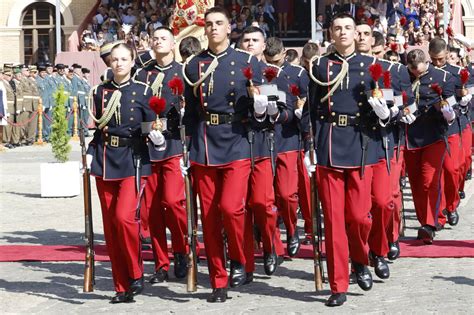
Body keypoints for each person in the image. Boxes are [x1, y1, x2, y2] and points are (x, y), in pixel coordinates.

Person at [303, 13, 387, 306]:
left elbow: (385, 105)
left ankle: (361, 260)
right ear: (330, 33)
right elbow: (311, 110)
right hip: (329, 146)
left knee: (359, 217)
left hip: (362, 144)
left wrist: (383, 111)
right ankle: (338, 284)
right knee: (335, 221)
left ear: (356, 33)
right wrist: (308, 146)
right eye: (337, 28)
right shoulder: (320, 66)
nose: (342, 33)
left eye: (348, 28)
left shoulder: (372, 66)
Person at [182, 6, 262, 303]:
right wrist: (185, 147)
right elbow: (190, 112)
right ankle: (218, 278)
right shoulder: (194, 65)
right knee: (211, 217)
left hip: (237, 140)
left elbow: (262, 108)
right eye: (209, 24)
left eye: (219, 23)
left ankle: (240, 258)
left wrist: (261, 105)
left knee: (231, 208)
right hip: (204, 143)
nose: (214, 28)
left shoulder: (247, 62)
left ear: (230, 28)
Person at [86, 43, 155, 303]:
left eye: (124, 59)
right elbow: (98, 129)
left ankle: (136, 273)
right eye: (114, 59)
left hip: (132, 159)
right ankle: (121, 286)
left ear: (132, 60)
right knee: (112, 226)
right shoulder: (99, 92)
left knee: (125, 218)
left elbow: (153, 126)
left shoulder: (143, 91)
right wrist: (91, 150)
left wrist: (159, 138)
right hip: (105, 160)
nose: (118, 63)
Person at [134, 26, 188, 284]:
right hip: (147, 146)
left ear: (173, 42)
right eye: (155, 38)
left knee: (174, 203)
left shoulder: (183, 72)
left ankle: (180, 250)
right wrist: (148, 131)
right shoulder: (142, 74)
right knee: (152, 209)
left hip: (174, 145)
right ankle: (160, 262)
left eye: (163, 38)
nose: (158, 42)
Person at [239, 25, 293, 281]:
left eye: (255, 40)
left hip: (263, 143)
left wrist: (272, 111)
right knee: (238, 206)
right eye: (246, 40)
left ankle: (271, 247)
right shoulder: (233, 71)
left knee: (262, 202)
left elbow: (286, 112)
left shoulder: (271, 74)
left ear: (263, 45)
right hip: (234, 145)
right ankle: (242, 259)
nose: (250, 44)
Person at [404, 48, 455, 244]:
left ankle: (429, 224)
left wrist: (449, 113)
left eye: (419, 70)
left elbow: (451, 104)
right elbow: (400, 99)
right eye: (412, 71)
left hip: (434, 135)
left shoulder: (443, 77)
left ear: (427, 63)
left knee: (429, 180)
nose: (416, 74)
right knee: (416, 182)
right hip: (410, 135)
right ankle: (423, 220)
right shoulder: (404, 76)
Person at [264, 37, 308, 259]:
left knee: (287, 194)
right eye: (268, 60)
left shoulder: (298, 74)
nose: (272, 64)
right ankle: (271, 242)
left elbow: (305, 104)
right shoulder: (260, 73)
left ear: (283, 54)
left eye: (276, 60)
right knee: (266, 198)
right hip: (264, 140)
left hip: (289, 137)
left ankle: (292, 230)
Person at [428, 38, 470, 229]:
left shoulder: (456, 73)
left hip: (453, 124)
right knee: (435, 174)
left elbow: (465, 96)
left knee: (453, 169)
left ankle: (452, 205)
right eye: (433, 59)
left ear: (446, 54)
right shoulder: (424, 74)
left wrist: (462, 99)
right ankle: (440, 212)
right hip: (432, 127)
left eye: (440, 59)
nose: (437, 63)